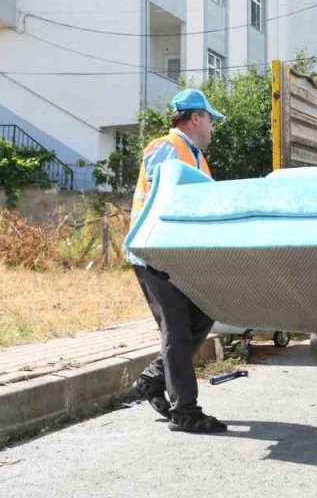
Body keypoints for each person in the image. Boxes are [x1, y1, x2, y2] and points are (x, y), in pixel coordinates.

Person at [125, 88, 228, 434]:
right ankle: (186, 410)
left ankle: (154, 380)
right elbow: (161, 200)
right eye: (210, 119)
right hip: (153, 252)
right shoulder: (165, 147)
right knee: (176, 329)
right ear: (196, 117)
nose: (212, 126)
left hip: (180, 257)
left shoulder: (197, 157)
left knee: (203, 313)